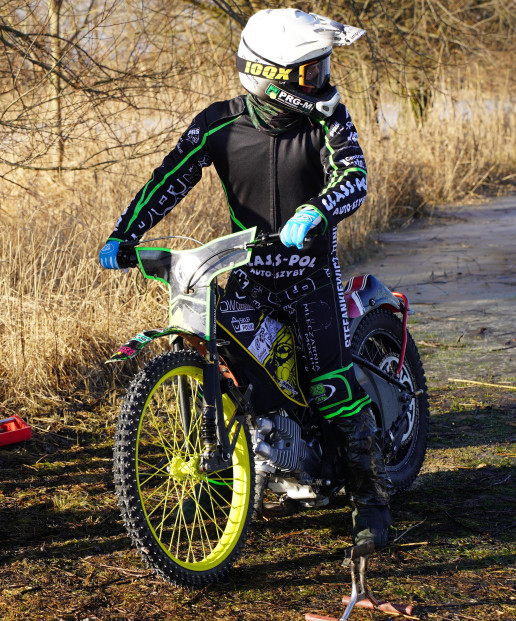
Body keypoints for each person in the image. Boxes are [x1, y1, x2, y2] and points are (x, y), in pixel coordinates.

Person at [99, 8, 391, 549]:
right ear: (271, 76)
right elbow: (168, 177)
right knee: (239, 379)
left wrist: (319, 211)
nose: (324, 79)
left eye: (323, 67)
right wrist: (125, 233)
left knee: (330, 387)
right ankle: (226, 484)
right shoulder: (217, 122)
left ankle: (370, 500)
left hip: (310, 277)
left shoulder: (329, 121)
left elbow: (355, 175)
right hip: (247, 273)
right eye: (312, 72)